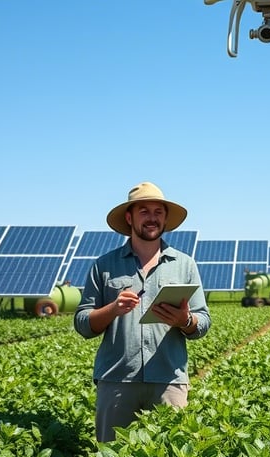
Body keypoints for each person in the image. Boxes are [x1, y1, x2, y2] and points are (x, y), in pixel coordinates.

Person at [74, 181, 211, 443]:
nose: (152, 218)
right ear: (129, 217)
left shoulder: (184, 264)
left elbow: (202, 321)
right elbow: (82, 323)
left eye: (158, 212)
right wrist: (113, 309)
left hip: (169, 380)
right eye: (144, 211)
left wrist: (186, 320)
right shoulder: (104, 265)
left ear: (165, 218)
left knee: (172, 449)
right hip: (116, 380)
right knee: (112, 450)